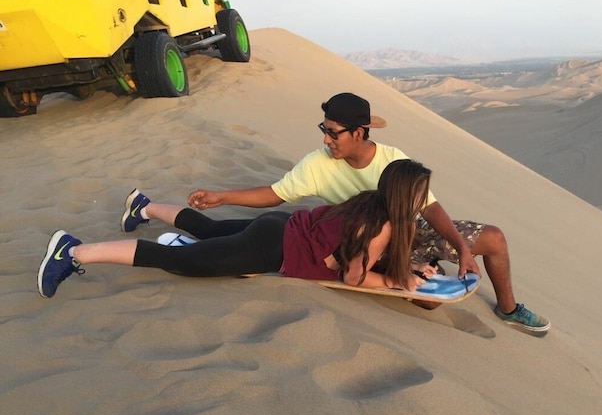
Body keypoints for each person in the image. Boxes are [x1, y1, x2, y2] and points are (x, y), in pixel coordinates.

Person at [125, 92, 549, 333]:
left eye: (332, 132)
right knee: (428, 304)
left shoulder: (393, 161)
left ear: (359, 133)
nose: (325, 138)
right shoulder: (316, 163)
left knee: (491, 237)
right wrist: (223, 195)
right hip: (355, 239)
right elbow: (276, 194)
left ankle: (509, 310)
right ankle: (151, 213)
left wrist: (461, 246)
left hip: (406, 229)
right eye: (323, 130)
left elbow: (429, 206)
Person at [38, 159, 440, 298]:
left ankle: (144, 208)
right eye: (421, 194)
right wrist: (392, 283)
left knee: (209, 230)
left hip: (277, 227)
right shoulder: (382, 226)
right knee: (177, 260)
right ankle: (73, 251)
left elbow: (359, 252)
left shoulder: (371, 202)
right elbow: (354, 277)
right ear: (406, 197)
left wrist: (407, 267)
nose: (424, 200)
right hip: (270, 251)